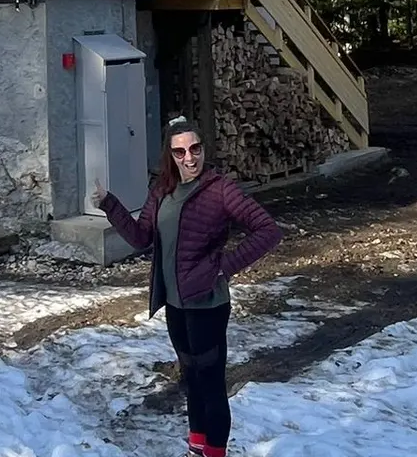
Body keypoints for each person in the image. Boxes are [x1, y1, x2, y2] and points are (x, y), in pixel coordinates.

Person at [92, 116, 281, 457]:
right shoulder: (163, 191)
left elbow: (268, 230)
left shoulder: (221, 189)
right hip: (176, 305)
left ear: (204, 149)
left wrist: (224, 267)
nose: (189, 158)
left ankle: (215, 452)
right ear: (171, 155)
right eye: (180, 152)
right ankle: (197, 448)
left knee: (210, 384)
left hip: (208, 304)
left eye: (195, 149)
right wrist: (110, 203)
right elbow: (141, 238)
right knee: (190, 378)